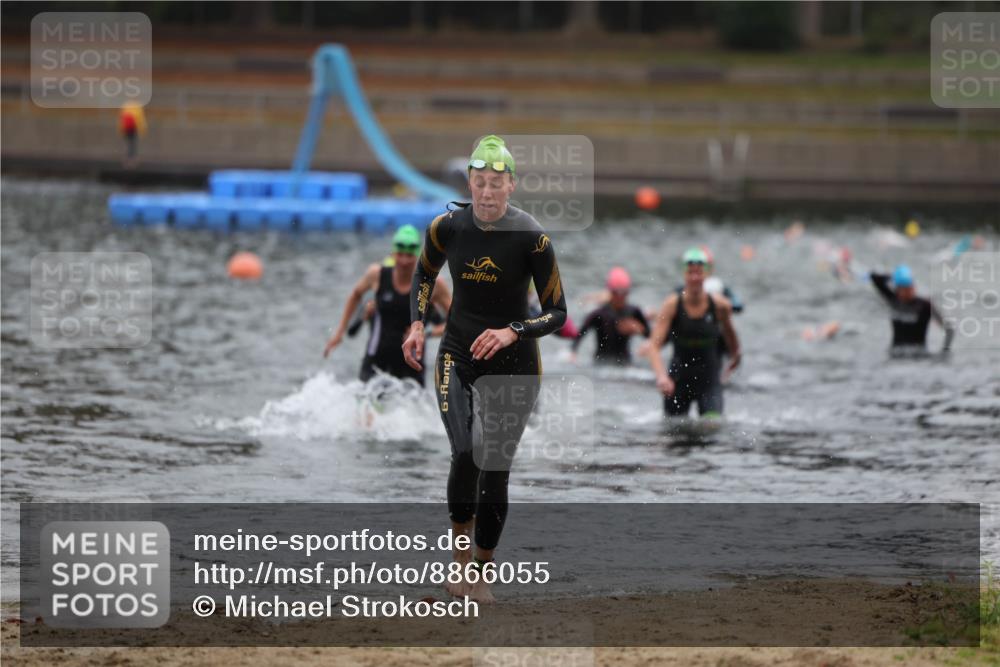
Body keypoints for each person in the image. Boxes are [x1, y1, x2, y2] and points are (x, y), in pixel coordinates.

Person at [402, 135, 567, 603]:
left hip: (515, 362)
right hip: (457, 352)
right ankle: (458, 565)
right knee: (466, 451)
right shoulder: (447, 227)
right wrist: (416, 324)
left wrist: (515, 329)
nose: (487, 192)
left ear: (511, 185)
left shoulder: (532, 237)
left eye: (496, 183)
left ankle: (482, 572)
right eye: (479, 183)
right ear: (469, 184)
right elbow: (424, 273)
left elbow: (557, 312)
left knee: (495, 469)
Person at [324, 225, 451, 386]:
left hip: (411, 363)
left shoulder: (433, 284)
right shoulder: (376, 274)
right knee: (365, 408)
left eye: (409, 255)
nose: (404, 261)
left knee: (409, 410)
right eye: (400, 254)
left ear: (419, 255)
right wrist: (340, 331)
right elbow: (355, 295)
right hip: (376, 358)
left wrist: (427, 333)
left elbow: (456, 320)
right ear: (393, 253)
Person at [646, 248, 741, 419]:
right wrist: (661, 377)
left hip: (709, 379)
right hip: (678, 380)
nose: (695, 277)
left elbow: (729, 334)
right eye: (690, 273)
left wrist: (735, 356)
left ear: (706, 275)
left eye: (699, 273)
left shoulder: (720, 305)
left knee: (712, 426)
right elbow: (653, 346)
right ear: (684, 274)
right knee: (674, 431)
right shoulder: (672, 305)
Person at [569, 267, 649, 365]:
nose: (621, 297)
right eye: (617, 293)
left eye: (625, 293)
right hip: (600, 363)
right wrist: (573, 353)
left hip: (625, 362)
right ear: (610, 292)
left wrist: (639, 329)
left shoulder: (634, 312)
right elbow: (579, 335)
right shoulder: (598, 314)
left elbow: (653, 338)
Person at [870, 264, 953, 357]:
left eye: (910, 287)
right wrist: (894, 276)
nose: (909, 291)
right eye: (905, 289)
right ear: (897, 290)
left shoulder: (924, 305)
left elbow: (949, 328)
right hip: (895, 353)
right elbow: (874, 278)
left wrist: (945, 351)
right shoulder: (893, 300)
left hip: (918, 354)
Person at [118, 101, 146, 167]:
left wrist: (121, 129)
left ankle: (126, 160)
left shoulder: (125, 106)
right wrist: (142, 130)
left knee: (128, 144)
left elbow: (121, 119)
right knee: (133, 144)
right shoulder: (137, 107)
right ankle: (133, 161)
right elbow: (140, 120)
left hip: (127, 129)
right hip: (134, 128)